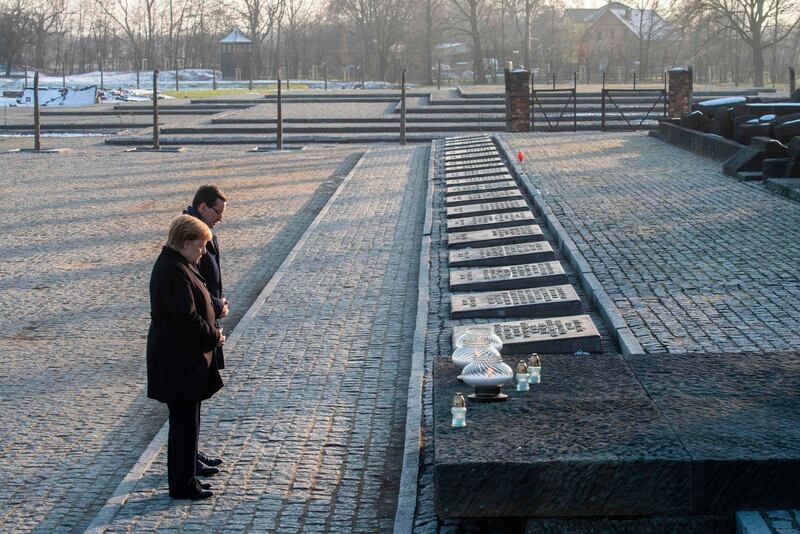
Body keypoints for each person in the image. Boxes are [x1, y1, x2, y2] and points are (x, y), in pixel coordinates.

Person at [146, 214, 225, 500]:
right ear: (185, 242)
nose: (203, 251)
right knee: (183, 425)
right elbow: (187, 319)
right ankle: (182, 485)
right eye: (201, 245)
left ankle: (189, 471)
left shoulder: (180, 264)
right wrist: (214, 336)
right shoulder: (172, 270)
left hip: (185, 359)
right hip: (177, 362)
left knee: (188, 422)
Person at [183, 185, 228, 474]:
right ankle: (188, 460)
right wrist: (214, 303)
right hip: (198, 328)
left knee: (197, 396)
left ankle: (193, 453)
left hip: (209, 318)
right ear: (202, 207)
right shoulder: (190, 235)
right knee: (189, 399)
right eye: (217, 212)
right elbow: (193, 280)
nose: (220, 219)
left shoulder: (206, 235)